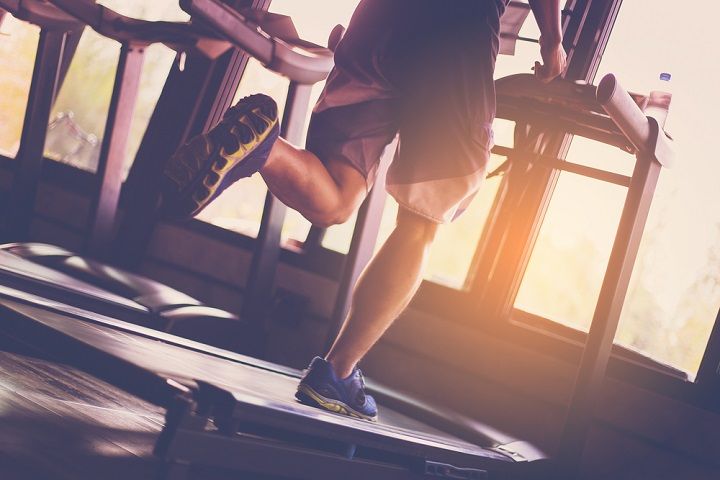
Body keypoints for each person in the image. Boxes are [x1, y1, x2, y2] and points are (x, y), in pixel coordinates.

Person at [161, 0, 567, 421]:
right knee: (422, 224)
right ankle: (337, 373)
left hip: (377, 21)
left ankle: (267, 150)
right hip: (458, 34)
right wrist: (553, 41)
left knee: (336, 196)